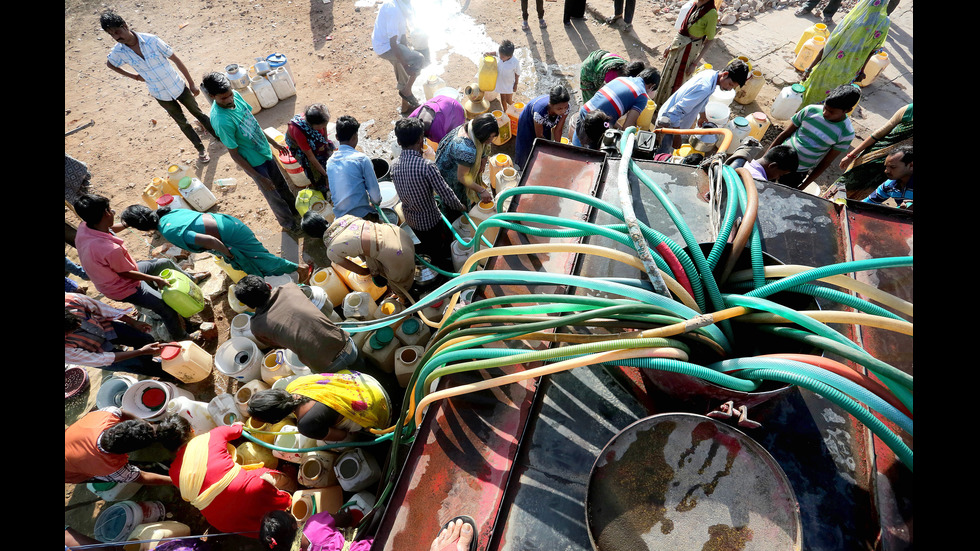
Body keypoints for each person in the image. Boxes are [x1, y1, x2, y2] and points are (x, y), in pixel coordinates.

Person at [73, 194, 205, 340]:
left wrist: (127, 223)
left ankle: (192, 279)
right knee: (165, 308)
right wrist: (156, 279)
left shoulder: (85, 227)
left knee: (164, 263)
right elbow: (126, 273)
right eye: (110, 210)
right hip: (122, 287)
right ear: (106, 213)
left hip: (118, 274)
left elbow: (108, 229)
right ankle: (182, 337)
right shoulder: (109, 249)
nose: (113, 212)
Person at [100, 10, 214, 164]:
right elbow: (110, 64)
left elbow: (176, 60)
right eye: (111, 34)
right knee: (182, 123)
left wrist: (191, 83)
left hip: (178, 86)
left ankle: (219, 136)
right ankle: (200, 149)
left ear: (125, 26)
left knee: (198, 113)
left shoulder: (152, 40)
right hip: (160, 94)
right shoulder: (118, 52)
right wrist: (134, 76)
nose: (116, 36)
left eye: (117, 31)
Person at [201, 72, 301, 232]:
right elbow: (234, 155)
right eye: (224, 98)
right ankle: (288, 224)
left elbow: (252, 123)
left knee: (281, 183)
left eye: (229, 95)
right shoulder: (221, 120)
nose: (229, 100)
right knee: (272, 194)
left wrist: (274, 143)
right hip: (254, 163)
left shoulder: (235, 96)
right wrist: (259, 177)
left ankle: (295, 210)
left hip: (264, 151)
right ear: (212, 96)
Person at [120, 205, 308, 281]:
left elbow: (207, 240)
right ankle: (282, 275)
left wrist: (228, 253)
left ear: (142, 228)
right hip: (227, 223)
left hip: (229, 236)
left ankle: (300, 269)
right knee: (257, 256)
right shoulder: (167, 215)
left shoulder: (169, 231)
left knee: (261, 259)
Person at [169, 423, 294, 537]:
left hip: (221, 520)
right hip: (249, 490)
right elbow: (237, 429)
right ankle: (293, 492)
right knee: (271, 479)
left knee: (258, 526)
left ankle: (275, 536)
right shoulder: (210, 437)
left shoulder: (173, 473)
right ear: (192, 429)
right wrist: (236, 425)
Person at [234, 276, 357, 373]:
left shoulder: (256, 327)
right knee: (361, 366)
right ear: (268, 285)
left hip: (325, 365)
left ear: (249, 306)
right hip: (345, 344)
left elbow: (280, 346)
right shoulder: (290, 288)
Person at [391, 117, 469, 270]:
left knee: (428, 246)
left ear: (399, 142)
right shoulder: (426, 166)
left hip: (411, 219)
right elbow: (446, 194)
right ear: (421, 139)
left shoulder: (394, 166)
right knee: (440, 246)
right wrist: (461, 207)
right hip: (431, 221)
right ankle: (444, 268)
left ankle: (434, 262)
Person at [247, 372, 393, 442]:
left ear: (276, 418)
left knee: (329, 440)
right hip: (368, 384)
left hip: (377, 408)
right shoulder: (295, 385)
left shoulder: (306, 424)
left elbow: (342, 436)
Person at [302, 212, 416, 302]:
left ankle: (403, 300)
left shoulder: (332, 251)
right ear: (323, 219)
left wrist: (376, 274)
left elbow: (362, 271)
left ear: (313, 236)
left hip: (397, 254)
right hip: (399, 234)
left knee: (399, 283)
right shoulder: (345, 218)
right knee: (402, 270)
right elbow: (369, 240)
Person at [763, 84, 858, 190]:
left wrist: (803, 186)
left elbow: (825, 162)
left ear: (847, 110)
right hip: (776, 161)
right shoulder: (810, 110)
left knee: (779, 195)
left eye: (831, 112)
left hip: (798, 172)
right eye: (825, 107)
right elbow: (785, 134)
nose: (825, 113)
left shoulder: (846, 133)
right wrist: (764, 159)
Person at [799, 0, 890, 108]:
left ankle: (804, 113)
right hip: (849, 69)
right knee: (835, 98)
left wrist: (809, 68)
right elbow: (870, 52)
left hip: (830, 65)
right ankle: (821, 118)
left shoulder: (854, 17)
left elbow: (829, 45)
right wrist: (861, 70)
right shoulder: (883, 22)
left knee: (814, 92)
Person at [66, 408, 188, 485]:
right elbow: (143, 477)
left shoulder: (105, 415)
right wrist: (176, 482)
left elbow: (122, 411)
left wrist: (146, 424)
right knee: (85, 474)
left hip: (71, 439)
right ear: (128, 452)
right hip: (69, 470)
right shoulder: (109, 468)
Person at [654, 60, 749, 155]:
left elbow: (702, 100)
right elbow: (674, 113)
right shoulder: (704, 88)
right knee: (661, 153)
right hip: (669, 125)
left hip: (673, 121)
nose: (729, 89)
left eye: (733, 87)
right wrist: (677, 136)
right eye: (730, 84)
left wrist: (702, 115)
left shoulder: (711, 74)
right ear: (725, 74)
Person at [65, 292, 169, 378]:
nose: (77, 328)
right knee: (137, 365)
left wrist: (133, 322)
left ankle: (148, 362)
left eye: (79, 323)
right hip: (94, 350)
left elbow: (102, 308)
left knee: (145, 339)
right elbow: (102, 359)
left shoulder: (71, 300)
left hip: (103, 327)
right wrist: (141, 351)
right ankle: (168, 374)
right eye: (71, 331)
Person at [830, 103, 912, 200]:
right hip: (870, 160)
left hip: (893, 172)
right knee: (839, 190)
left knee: (860, 201)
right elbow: (879, 133)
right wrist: (851, 155)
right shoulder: (909, 110)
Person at [653, 0, 719, 109]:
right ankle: (659, 102)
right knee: (668, 73)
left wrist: (695, 63)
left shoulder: (711, 13)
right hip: (679, 44)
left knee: (677, 78)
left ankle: (668, 107)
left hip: (689, 50)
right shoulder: (695, 5)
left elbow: (710, 40)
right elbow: (683, 30)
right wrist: (671, 46)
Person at [571, 68, 661, 147]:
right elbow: (627, 127)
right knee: (590, 156)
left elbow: (607, 108)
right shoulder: (642, 96)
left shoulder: (621, 79)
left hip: (585, 111)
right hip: (596, 124)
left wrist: (618, 127)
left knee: (575, 148)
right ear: (652, 86)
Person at [372, 0, 427, 113]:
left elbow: (402, 36)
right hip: (385, 47)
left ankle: (405, 107)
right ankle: (407, 90)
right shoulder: (394, 10)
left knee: (403, 71)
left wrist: (406, 53)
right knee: (419, 59)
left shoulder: (401, 6)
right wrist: (406, 65)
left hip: (391, 44)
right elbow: (393, 43)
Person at [434, 113, 498, 208]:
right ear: (480, 135)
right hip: (449, 177)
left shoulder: (469, 127)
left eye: (493, 137)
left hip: (447, 163)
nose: (491, 141)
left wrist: (483, 161)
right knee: (457, 201)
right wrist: (482, 190)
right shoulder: (467, 149)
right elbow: (462, 177)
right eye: (488, 138)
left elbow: (485, 147)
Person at [327, 116, 383, 219]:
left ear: (337, 137)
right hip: (361, 216)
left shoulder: (330, 162)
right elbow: (375, 197)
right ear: (355, 136)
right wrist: (375, 203)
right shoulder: (362, 160)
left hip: (341, 218)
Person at [285, 104, 336, 197]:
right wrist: (325, 175)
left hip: (311, 138)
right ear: (312, 125)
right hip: (299, 146)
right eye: (321, 126)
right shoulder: (299, 132)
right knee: (313, 169)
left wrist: (325, 143)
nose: (324, 127)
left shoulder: (320, 116)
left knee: (326, 156)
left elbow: (324, 130)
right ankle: (322, 189)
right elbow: (311, 157)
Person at [514, 85, 571, 170]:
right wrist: (547, 151)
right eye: (559, 108)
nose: (563, 111)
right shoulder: (540, 112)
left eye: (565, 107)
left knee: (547, 141)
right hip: (528, 122)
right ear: (551, 105)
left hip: (543, 123)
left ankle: (539, 164)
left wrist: (557, 148)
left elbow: (558, 130)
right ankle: (521, 167)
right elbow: (540, 137)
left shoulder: (565, 108)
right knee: (526, 145)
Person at [260, 509, 373, 551]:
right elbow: (345, 519)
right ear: (293, 525)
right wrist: (345, 514)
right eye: (286, 513)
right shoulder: (314, 524)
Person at [484, 40, 521, 114]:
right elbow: (496, 53)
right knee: (503, 99)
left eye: (502, 57)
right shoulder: (501, 54)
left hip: (508, 84)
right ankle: (505, 111)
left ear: (509, 56)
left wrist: (516, 84)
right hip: (500, 83)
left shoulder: (515, 62)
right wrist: (489, 53)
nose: (500, 57)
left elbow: (517, 74)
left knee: (509, 100)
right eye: (500, 55)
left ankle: (517, 110)